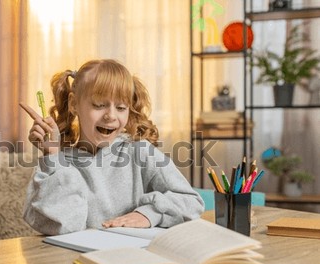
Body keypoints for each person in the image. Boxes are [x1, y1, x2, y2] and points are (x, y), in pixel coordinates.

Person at [19, 59, 204, 235]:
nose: (111, 116)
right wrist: (52, 157)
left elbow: (191, 202)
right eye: (99, 105)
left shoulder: (140, 151)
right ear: (74, 104)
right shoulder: (59, 162)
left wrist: (148, 214)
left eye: (121, 108)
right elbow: (62, 225)